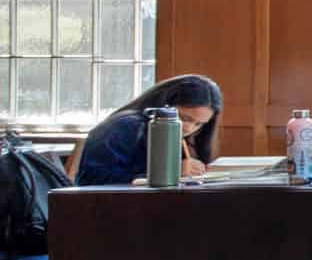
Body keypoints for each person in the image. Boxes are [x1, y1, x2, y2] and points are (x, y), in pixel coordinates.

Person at [74, 76, 223, 186]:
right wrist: (170, 173)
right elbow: (93, 180)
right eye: (184, 118)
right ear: (165, 103)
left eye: (198, 124)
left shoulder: (173, 135)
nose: (189, 128)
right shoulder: (125, 126)